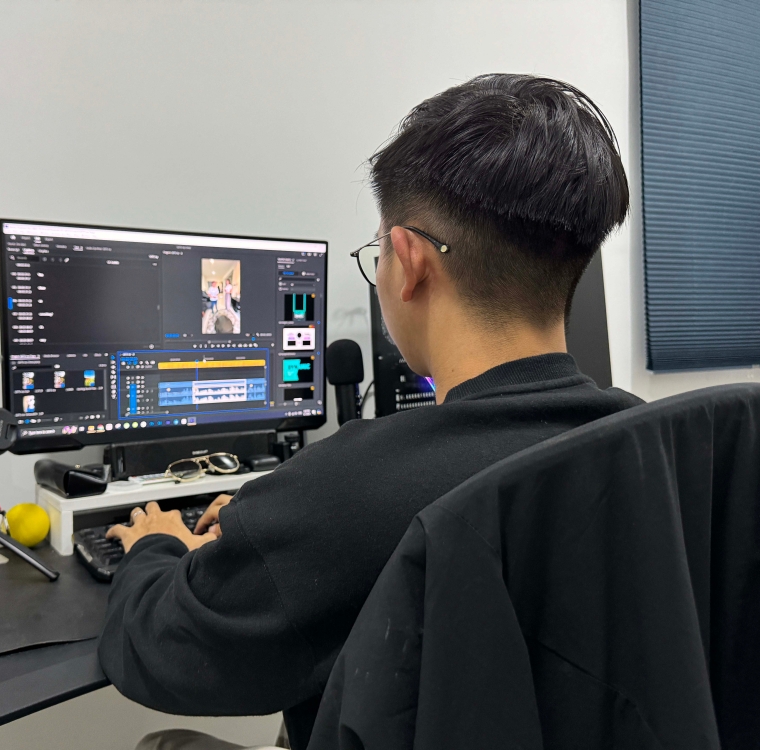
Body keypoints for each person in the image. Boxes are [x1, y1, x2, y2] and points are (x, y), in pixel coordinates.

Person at [100, 74, 639, 750]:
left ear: (408, 262)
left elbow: (161, 653)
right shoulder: (652, 443)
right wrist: (275, 523)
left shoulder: (353, 487)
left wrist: (154, 546)